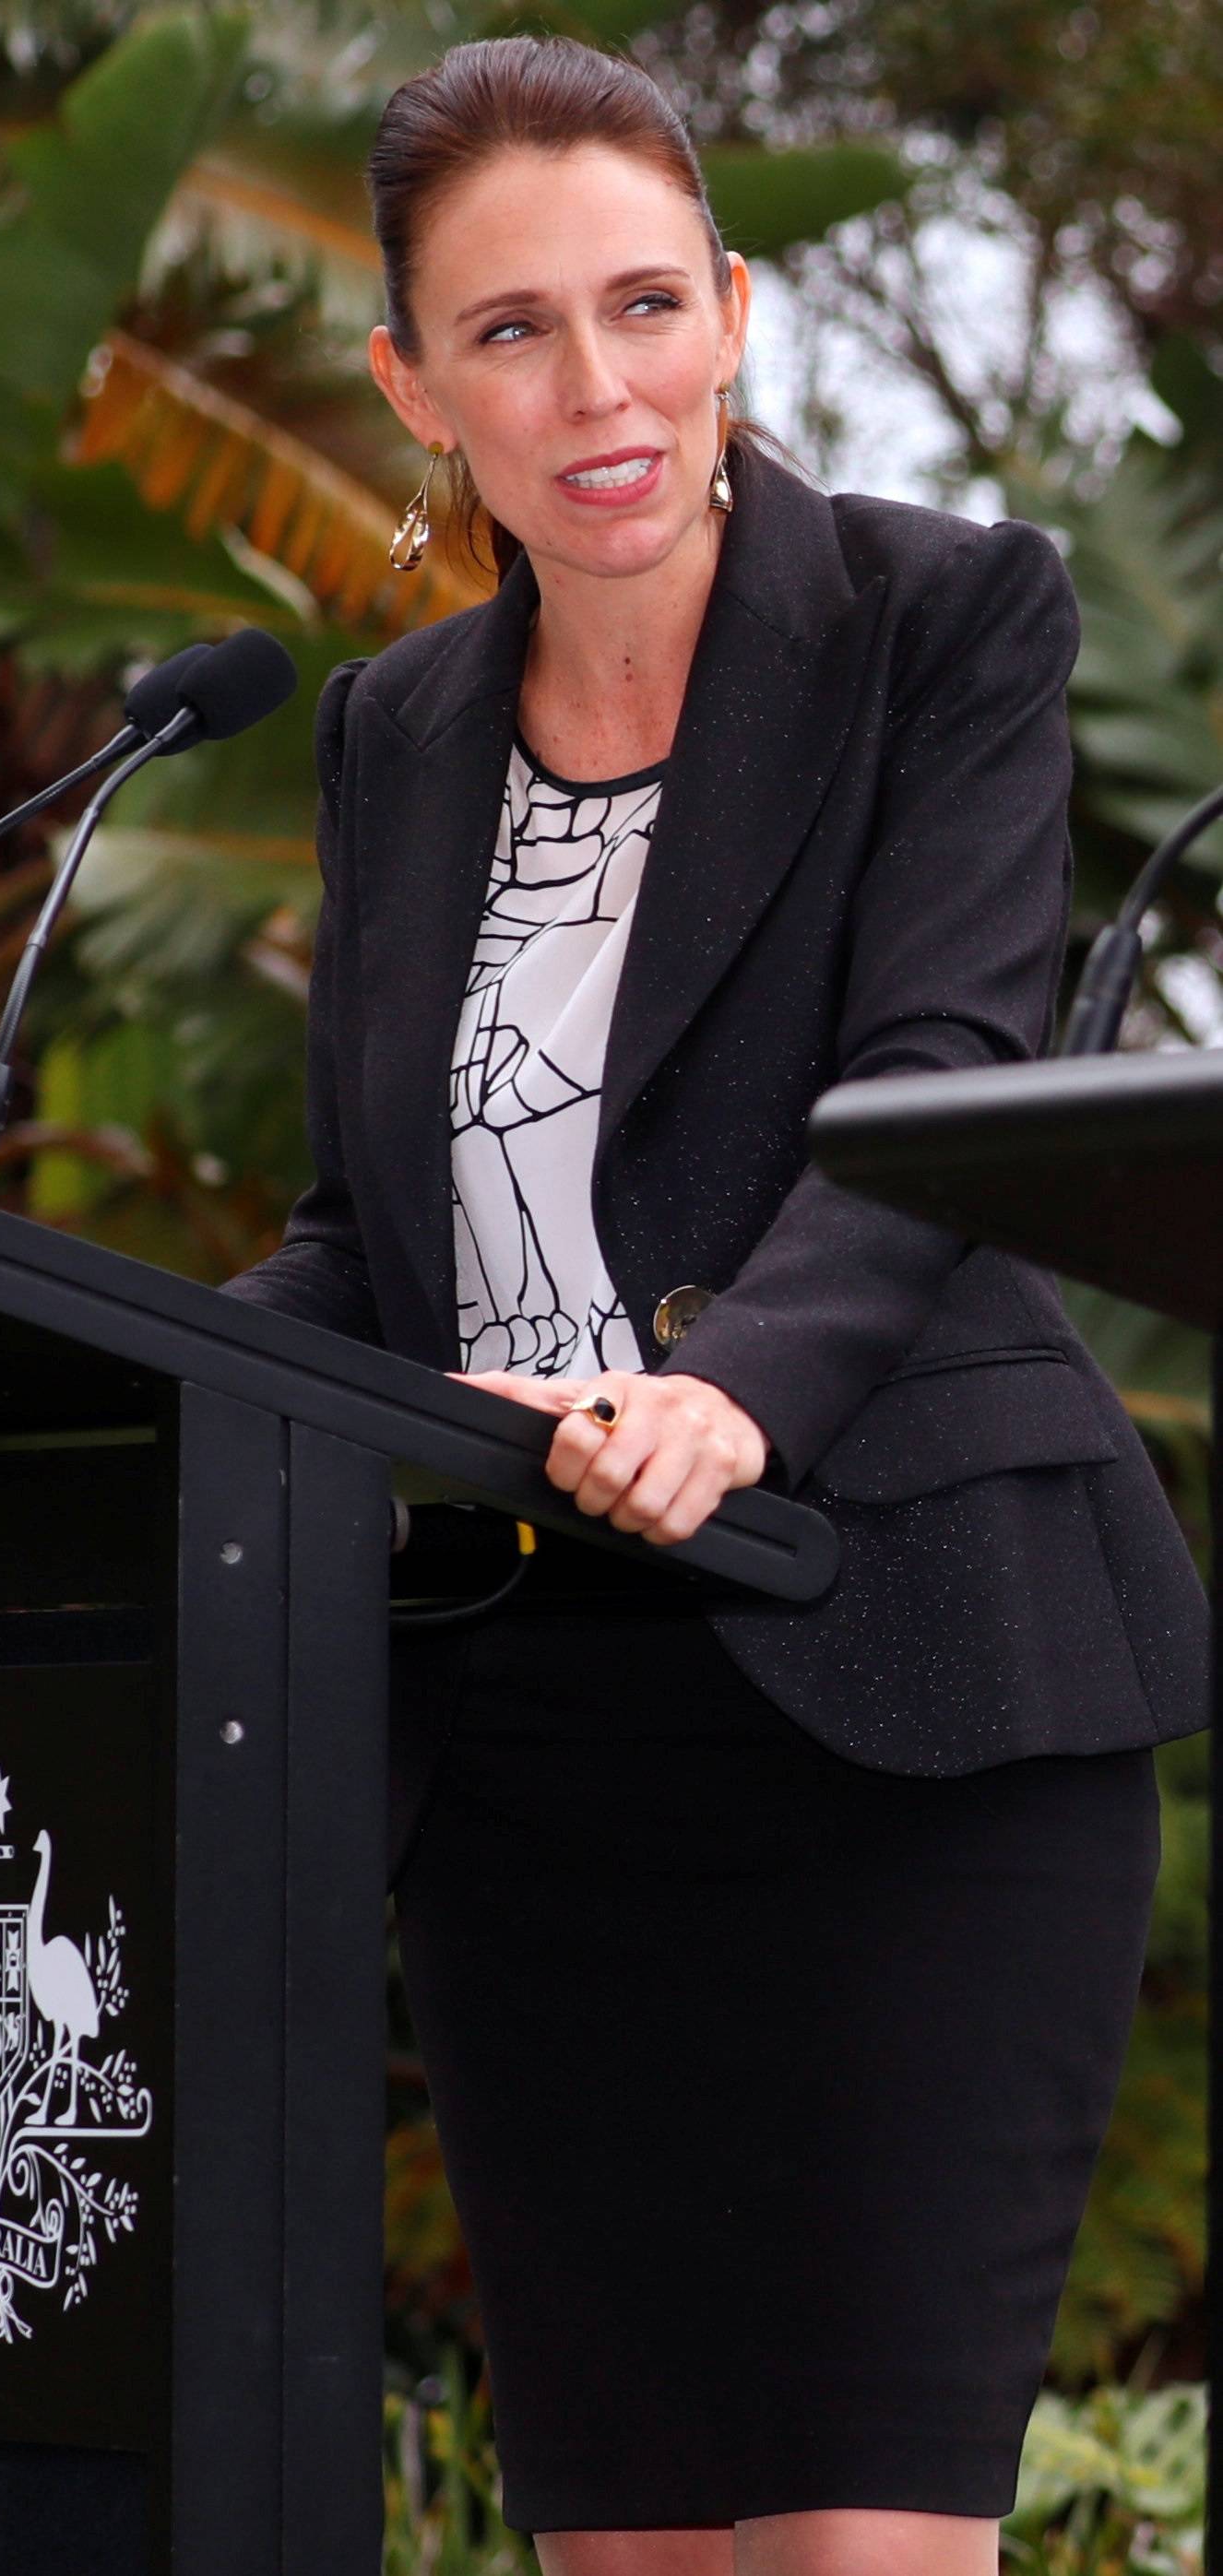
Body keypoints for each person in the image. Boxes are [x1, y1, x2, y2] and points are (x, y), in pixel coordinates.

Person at [218, 33, 1209, 2576]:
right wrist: (160, 1388)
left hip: (906, 1685)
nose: (601, 385)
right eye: (517, 331)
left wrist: (725, 1391)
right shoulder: (399, 734)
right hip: (547, 1765)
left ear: (739, 307)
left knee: (860, 2554)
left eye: (647, 302)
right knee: (636, 2557)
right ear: (411, 384)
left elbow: (945, 1084)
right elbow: (381, 1228)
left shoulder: (940, 617)